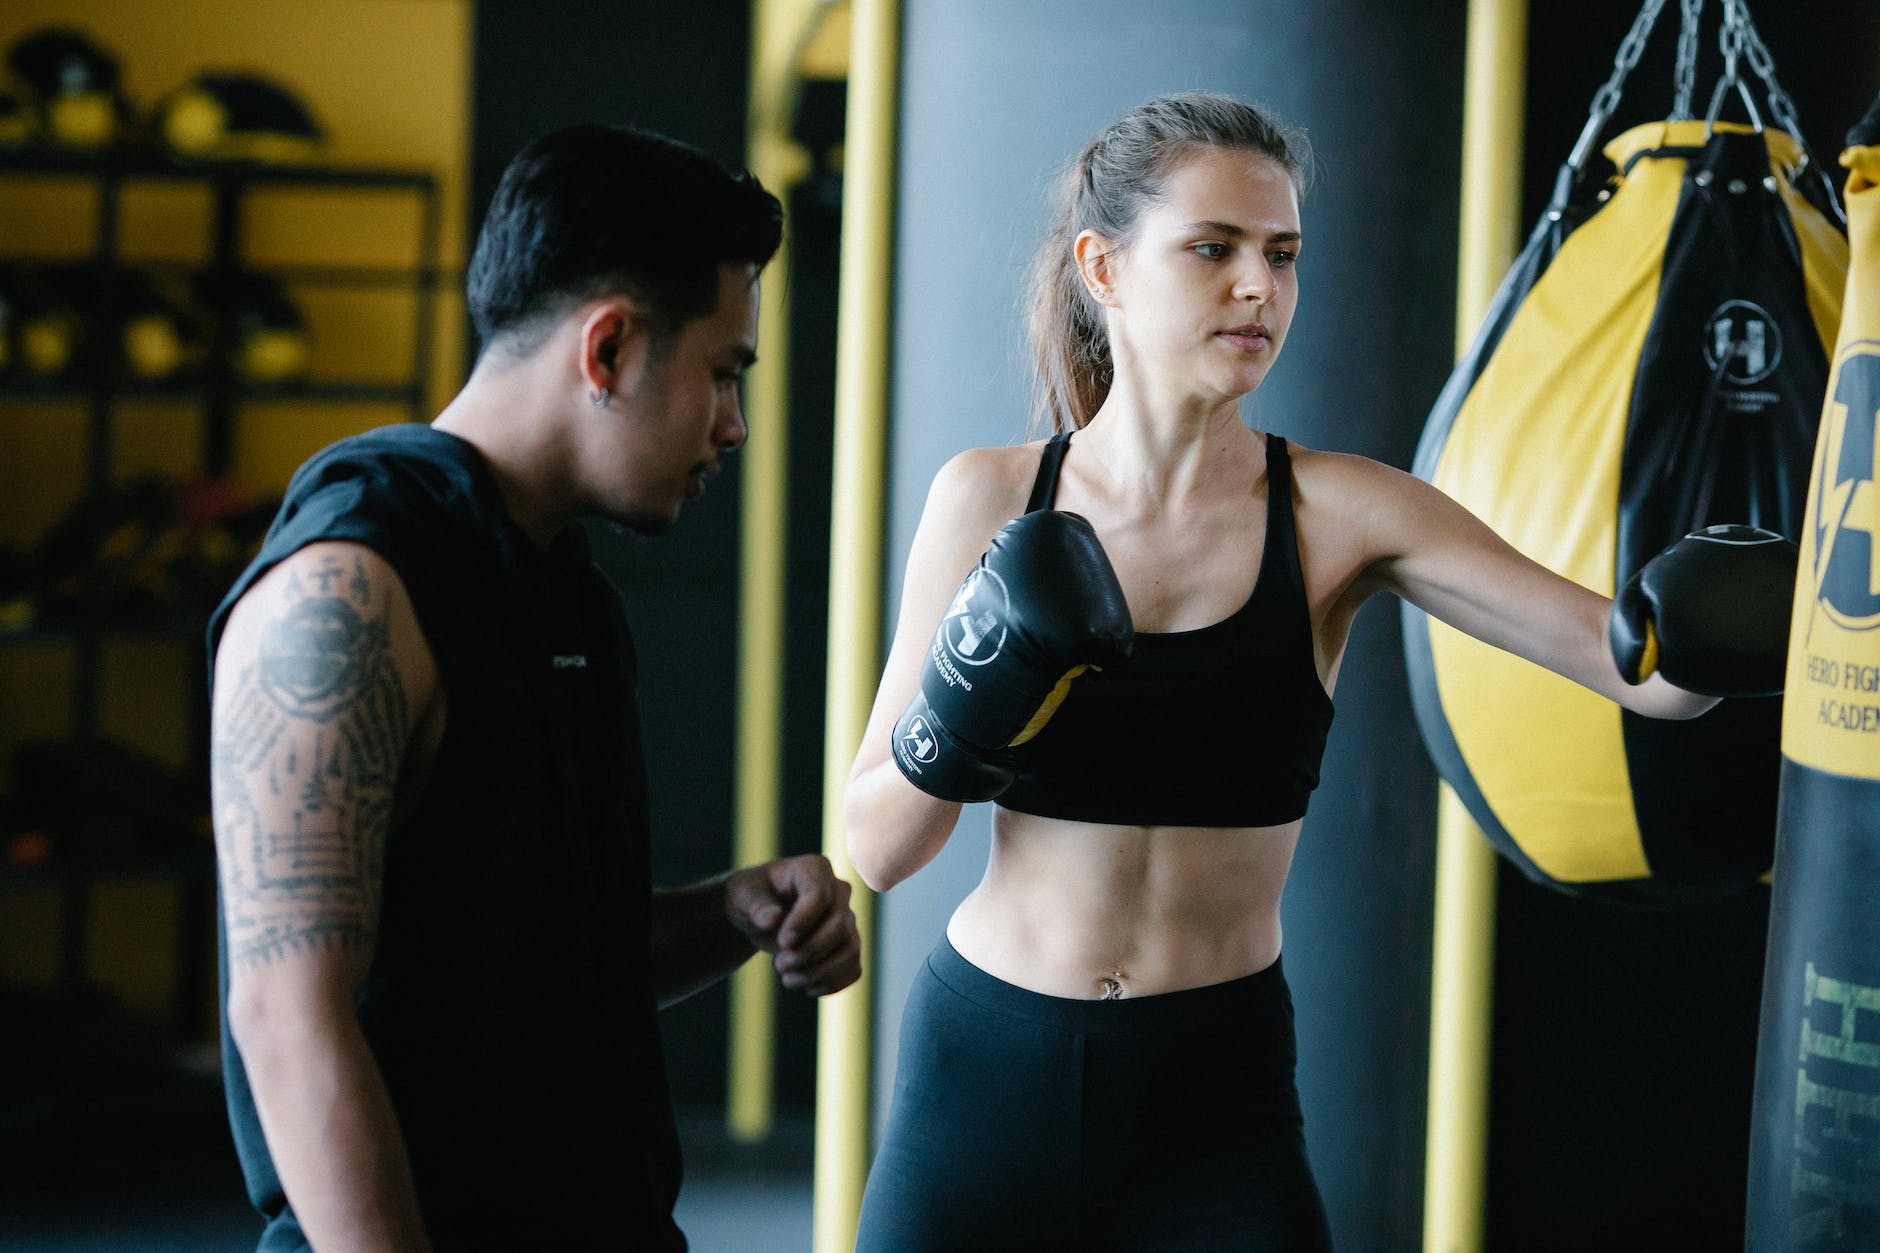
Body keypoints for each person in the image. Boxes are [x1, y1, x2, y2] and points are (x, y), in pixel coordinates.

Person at [845, 93, 1785, 1251]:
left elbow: (1634, 670)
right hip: (984, 1075)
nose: (1259, 288)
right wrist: (974, 691)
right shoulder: (988, 498)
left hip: (1213, 1097)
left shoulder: (1342, 513)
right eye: (1213, 249)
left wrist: (1717, 631)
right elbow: (877, 849)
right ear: (1103, 267)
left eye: (1281, 255)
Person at [207, 125, 862, 1252]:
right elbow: (288, 1012)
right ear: (605, 348)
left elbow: (541, 963)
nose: (733, 424)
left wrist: (735, 910)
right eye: (721, 371)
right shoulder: (346, 592)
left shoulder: (562, 591)